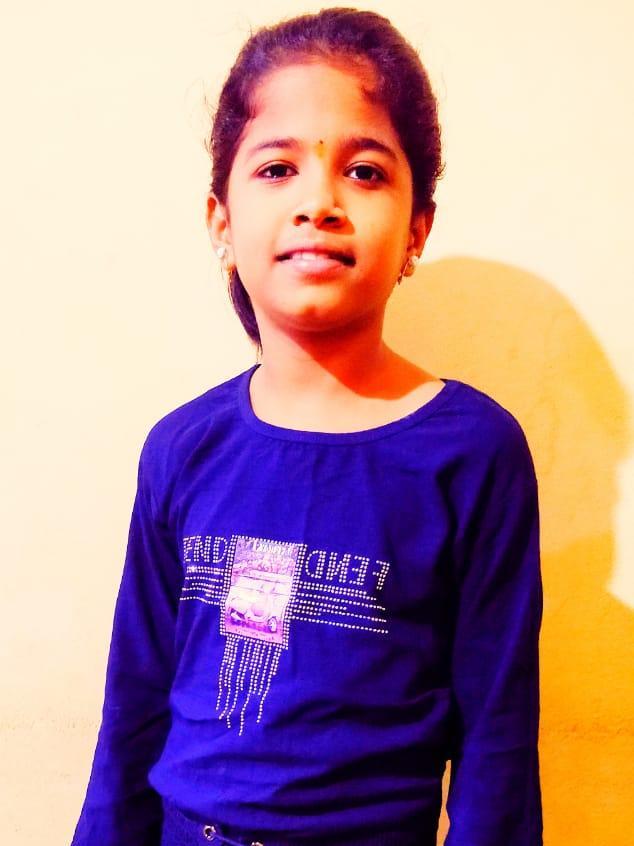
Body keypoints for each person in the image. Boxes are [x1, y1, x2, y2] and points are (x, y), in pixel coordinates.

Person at [70, 7, 543, 846]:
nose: (318, 202)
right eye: (278, 168)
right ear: (221, 222)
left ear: (417, 229)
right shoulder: (182, 447)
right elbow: (133, 708)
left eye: (363, 171)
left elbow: (497, 745)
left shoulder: (473, 453)